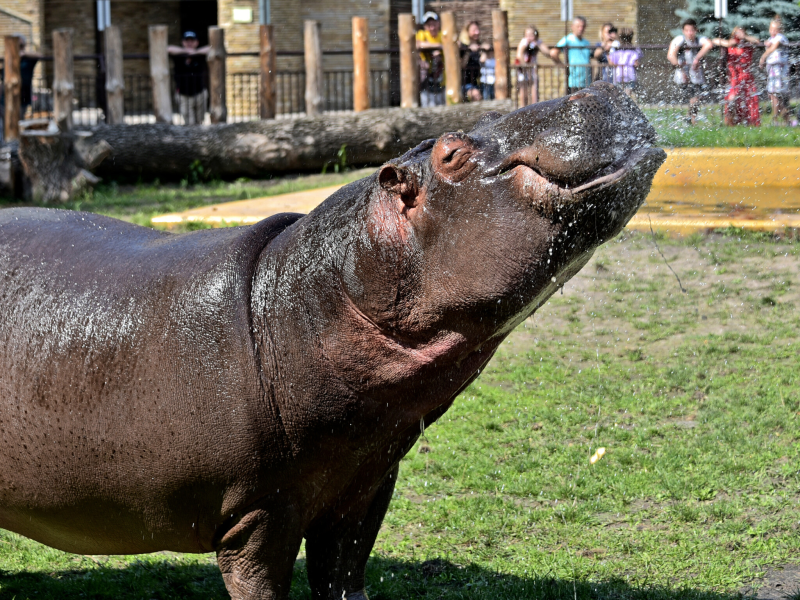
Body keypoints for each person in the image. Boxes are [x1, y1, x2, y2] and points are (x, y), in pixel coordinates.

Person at [667, 19, 714, 125]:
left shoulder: (699, 40)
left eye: (692, 30)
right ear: (683, 31)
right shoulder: (679, 39)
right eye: (687, 30)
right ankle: (691, 120)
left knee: (696, 99)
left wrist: (697, 58)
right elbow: (671, 55)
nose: (690, 33)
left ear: (696, 30)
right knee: (694, 99)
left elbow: (708, 45)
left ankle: (690, 118)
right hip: (682, 75)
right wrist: (681, 68)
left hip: (696, 75)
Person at [711, 26, 760, 126]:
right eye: (736, 33)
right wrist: (728, 43)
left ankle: (749, 124)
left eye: (740, 33)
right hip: (734, 78)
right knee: (731, 100)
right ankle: (731, 124)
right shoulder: (731, 44)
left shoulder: (747, 45)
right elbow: (714, 40)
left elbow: (757, 41)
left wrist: (745, 37)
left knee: (749, 103)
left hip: (746, 78)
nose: (738, 35)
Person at [168, 31, 210, 125]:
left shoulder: (200, 55)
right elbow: (169, 48)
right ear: (183, 42)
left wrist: (195, 53)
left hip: (200, 93)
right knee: (189, 123)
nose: (189, 43)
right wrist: (186, 52)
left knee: (200, 121)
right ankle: (192, 139)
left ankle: (198, 139)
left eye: (192, 41)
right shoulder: (178, 56)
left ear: (197, 42)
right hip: (183, 94)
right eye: (187, 41)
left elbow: (211, 48)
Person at [759, 18, 790, 126]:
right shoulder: (772, 38)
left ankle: (776, 119)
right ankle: (786, 120)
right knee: (772, 94)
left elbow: (774, 47)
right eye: (771, 29)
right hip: (772, 70)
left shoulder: (780, 37)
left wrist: (763, 57)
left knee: (776, 94)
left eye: (775, 29)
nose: (773, 31)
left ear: (780, 30)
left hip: (779, 71)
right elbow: (770, 45)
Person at [550, 17, 593, 93]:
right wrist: (563, 66)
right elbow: (553, 53)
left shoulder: (586, 42)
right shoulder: (568, 39)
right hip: (573, 81)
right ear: (572, 27)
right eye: (578, 26)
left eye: (583, 26)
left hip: (586, 81)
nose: (581, 28)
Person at [516, 26, 556, 105]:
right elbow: (519, 54)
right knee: (524, 87)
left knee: (534, 86)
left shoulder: (537, 42)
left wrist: (538, 44)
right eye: (527, 35)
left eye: (532, 34)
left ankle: (534, 105)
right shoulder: (524, 42)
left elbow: (547, 53)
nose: (530, 37)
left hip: (532, 68)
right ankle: (523, 107)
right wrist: (525, 66)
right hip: (523, 68)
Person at [416, 12, 446, 107]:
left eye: (434, 24)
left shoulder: (443, 35)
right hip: (426, 82)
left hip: (443, 81)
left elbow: (455, 43)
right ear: (425, 26)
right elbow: (418, 44)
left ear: (438, 24)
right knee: (428, 108)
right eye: (429, 25)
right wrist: (439, 46)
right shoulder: (422, 34)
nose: (432, 28)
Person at [460, 21, 488, 102]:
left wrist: (485, 50)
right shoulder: (462, 47)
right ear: (467, 32)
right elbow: (462, 65)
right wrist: (468, 51)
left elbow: (482, 60)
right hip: (466, 82)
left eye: (478, 30)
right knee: (476, 95)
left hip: (478, 81)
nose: (477, 32)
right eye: (474, 30)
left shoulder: (480, 44)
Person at [608, 28, 642, 96]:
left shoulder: (617, 50)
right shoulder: (634, 50)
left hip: (619, 75)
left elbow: (611, 62)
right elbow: (636, 63)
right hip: (630, 74)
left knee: (619, 94)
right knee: (627, 95)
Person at [19, 36, 44, 119]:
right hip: (7, 92)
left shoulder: (27, 58)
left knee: (20, 116)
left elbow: (40, 55)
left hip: (23, 91)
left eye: (21, 45)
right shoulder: (9, 58)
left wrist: (24, 53)